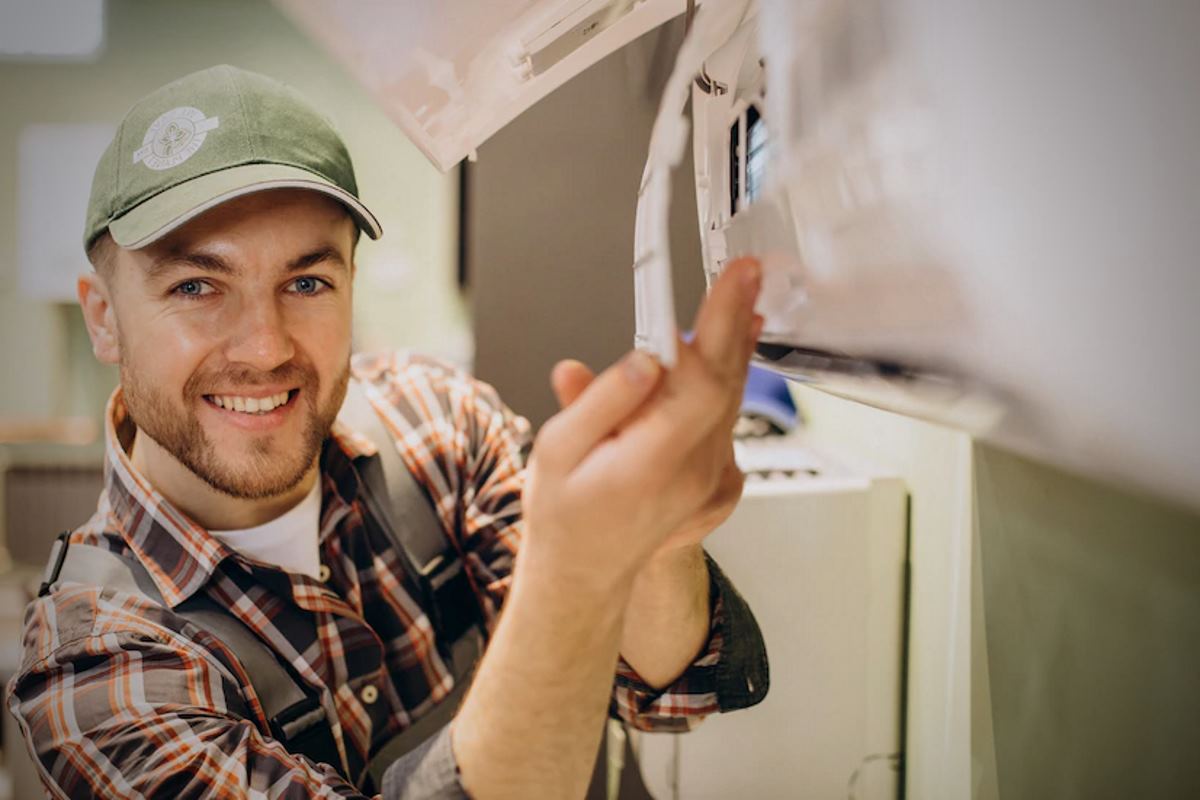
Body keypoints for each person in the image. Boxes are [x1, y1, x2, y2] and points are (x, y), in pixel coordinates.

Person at [6, 65, 768, 799]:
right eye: (196, 287)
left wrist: (657, 542)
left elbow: (665, 688)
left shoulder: (436, 424)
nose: (266, 347)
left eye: (307, 283)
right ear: (103, 316)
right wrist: (574, 570)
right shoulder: (96, 671)